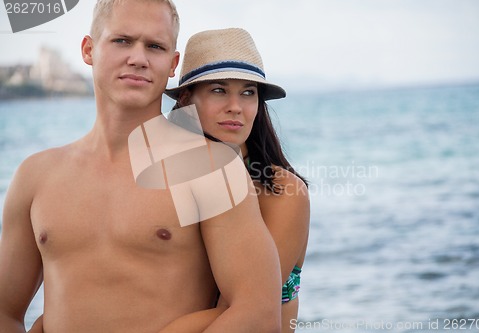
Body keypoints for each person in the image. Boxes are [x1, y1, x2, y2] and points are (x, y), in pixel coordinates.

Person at [0, 1, 282, 333]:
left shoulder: (211, 169)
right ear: (89, 49)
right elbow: (5, 311)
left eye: (155, 46)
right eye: (122, 40)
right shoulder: (36, 176)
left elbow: (258, 313)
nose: (138, 58)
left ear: (173, 63)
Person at [159, 27, 310, 333]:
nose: (236, 107)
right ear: (187, 98)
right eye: (218, 90)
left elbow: (249, 310)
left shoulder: (283, 192)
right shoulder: (169, 179)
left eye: (247, 92)